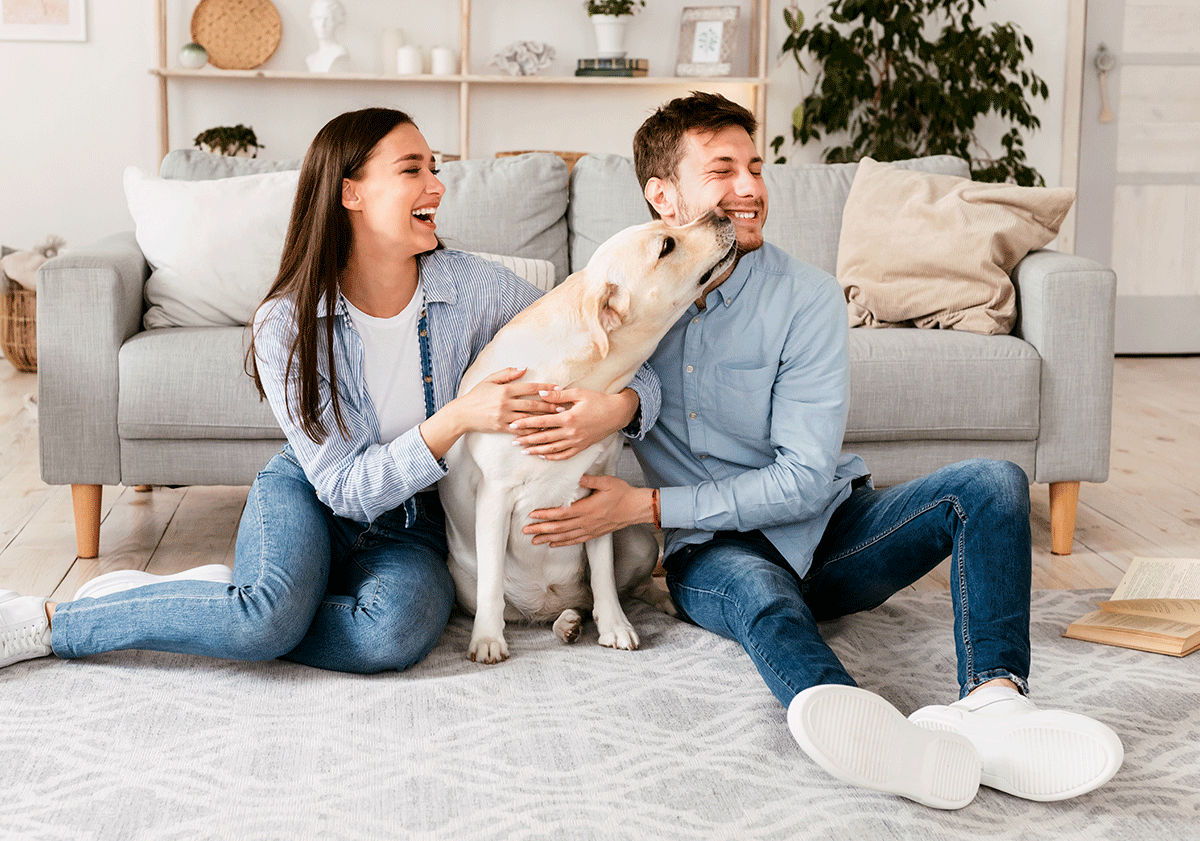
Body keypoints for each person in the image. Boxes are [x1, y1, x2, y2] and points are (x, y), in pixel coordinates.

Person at [517, 92, 1123, 809]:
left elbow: (805, 481)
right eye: (722, 171)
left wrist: (644, 505)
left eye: (755, 167)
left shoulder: (806, 297)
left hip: (830, 531)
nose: (750, 188)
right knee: (762, 594)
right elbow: (568, 355)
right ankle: (860, 723)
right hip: (712, 553)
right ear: (663, 196)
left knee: (993, 482)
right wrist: (620, 404)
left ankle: (995, 703)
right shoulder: (635, 300)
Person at [0, 107, 658, 675]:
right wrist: (456, 418)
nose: (437, 184)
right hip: (311, 495)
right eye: (412, 169)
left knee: (390, 635)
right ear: (350, 193)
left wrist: (618, 407)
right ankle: (58, 621)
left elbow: (611, 345)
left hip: (413, 520)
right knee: (266, 620)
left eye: (435, 168)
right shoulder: (286, 322)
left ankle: (232, 602)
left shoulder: (476, 288)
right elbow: (343, 488)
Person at [306, 0, 350, 73]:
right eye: (318, 18)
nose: (322, 24)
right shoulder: (310, 59)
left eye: (327, 19)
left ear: (336, 22)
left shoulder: (339, 54)